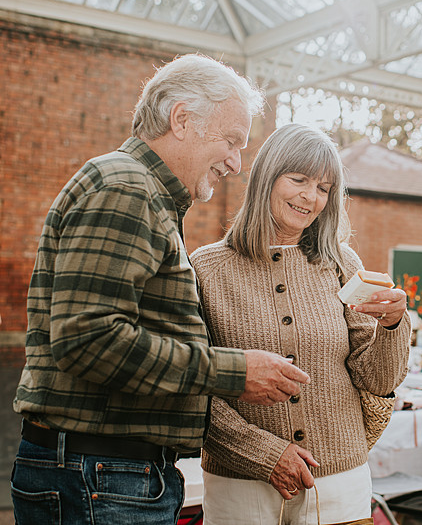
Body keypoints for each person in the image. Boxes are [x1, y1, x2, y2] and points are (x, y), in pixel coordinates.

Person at [11, 54, 311, 525]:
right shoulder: (128, 189)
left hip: (105, 473)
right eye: (231, 141)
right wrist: (235, 372)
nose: (236, 162)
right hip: (102, 476)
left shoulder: (142, 191)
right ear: (182, 119)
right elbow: (88, 339)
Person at [190, 123, 411, 524]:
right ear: (267, 179)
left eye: (324, 188)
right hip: (241, 487)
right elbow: (195, 384)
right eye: (299, 180)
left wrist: (393, 326)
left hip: (339, 483)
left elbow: (378, 381)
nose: (311, 197)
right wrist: (263, 453)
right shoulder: (207, 269)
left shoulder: (343, 265)